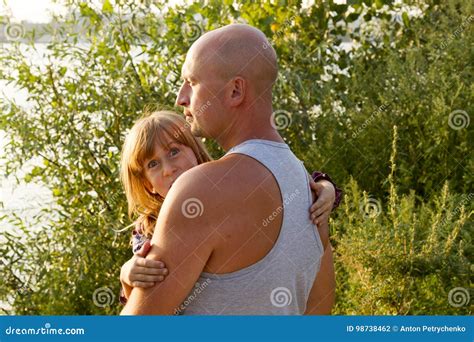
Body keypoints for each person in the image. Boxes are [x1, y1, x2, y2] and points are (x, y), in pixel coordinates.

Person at [121, 24, 339, 315]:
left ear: (235, 91)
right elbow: (319, 313)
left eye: (192, 82)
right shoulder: (309, 190)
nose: (180, 98)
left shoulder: (200, 191)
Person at [118, 111, 341, 306]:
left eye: (174, 152)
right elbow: (146, 301)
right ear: (148, 185)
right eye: (153, 164)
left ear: (195, 151)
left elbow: (279, 186)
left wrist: (324, 186)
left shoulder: (223, 188)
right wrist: (127, 276)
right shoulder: (148, 230)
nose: (169, 169)